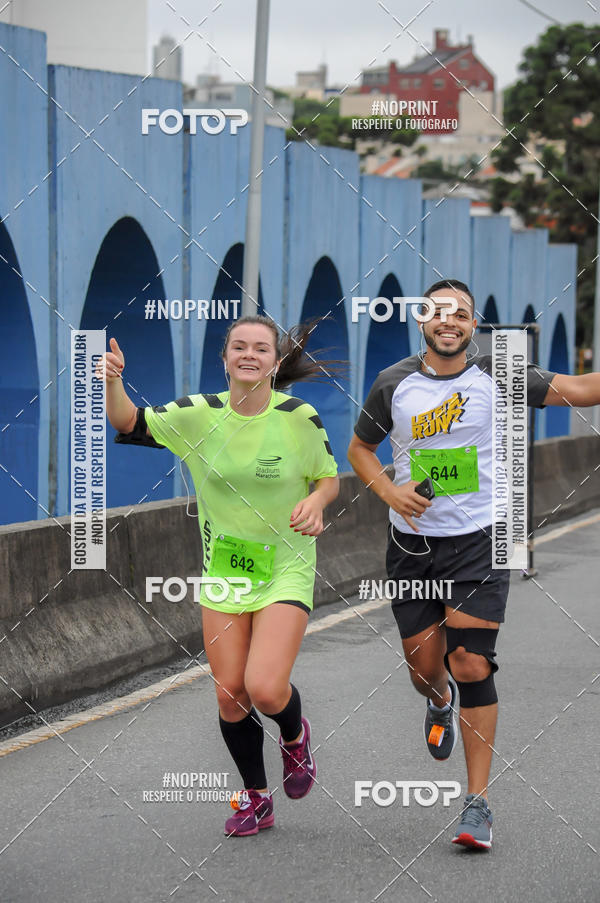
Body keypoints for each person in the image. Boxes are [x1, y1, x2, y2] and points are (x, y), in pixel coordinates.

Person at [348, 278, 600, 850]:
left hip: (480, 541)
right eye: (439, 312)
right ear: (422, 320)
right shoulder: (393, 383)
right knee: (425, 669)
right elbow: (360, 449)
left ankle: (477, 802)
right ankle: (438, 701)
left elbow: (582, 389)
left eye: (460, 314)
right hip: (413, 545)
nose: (449, 321)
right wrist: (390, 492)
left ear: (473, 325)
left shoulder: (499, 373)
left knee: (470, 662)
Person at [99, 315, 340, 836]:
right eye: (239, 347)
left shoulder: (298, 416)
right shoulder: (197, 414)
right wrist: (114, 380)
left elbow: (327, 478)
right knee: (231, 694)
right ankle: (256, 799)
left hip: (286, 567)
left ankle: (295, 738)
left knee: (265, 689)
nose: (249, 354)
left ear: (275, 362)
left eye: (260, 348)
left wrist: (318, 503)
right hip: (224, 573)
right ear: (225, 358)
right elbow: (129, 422)